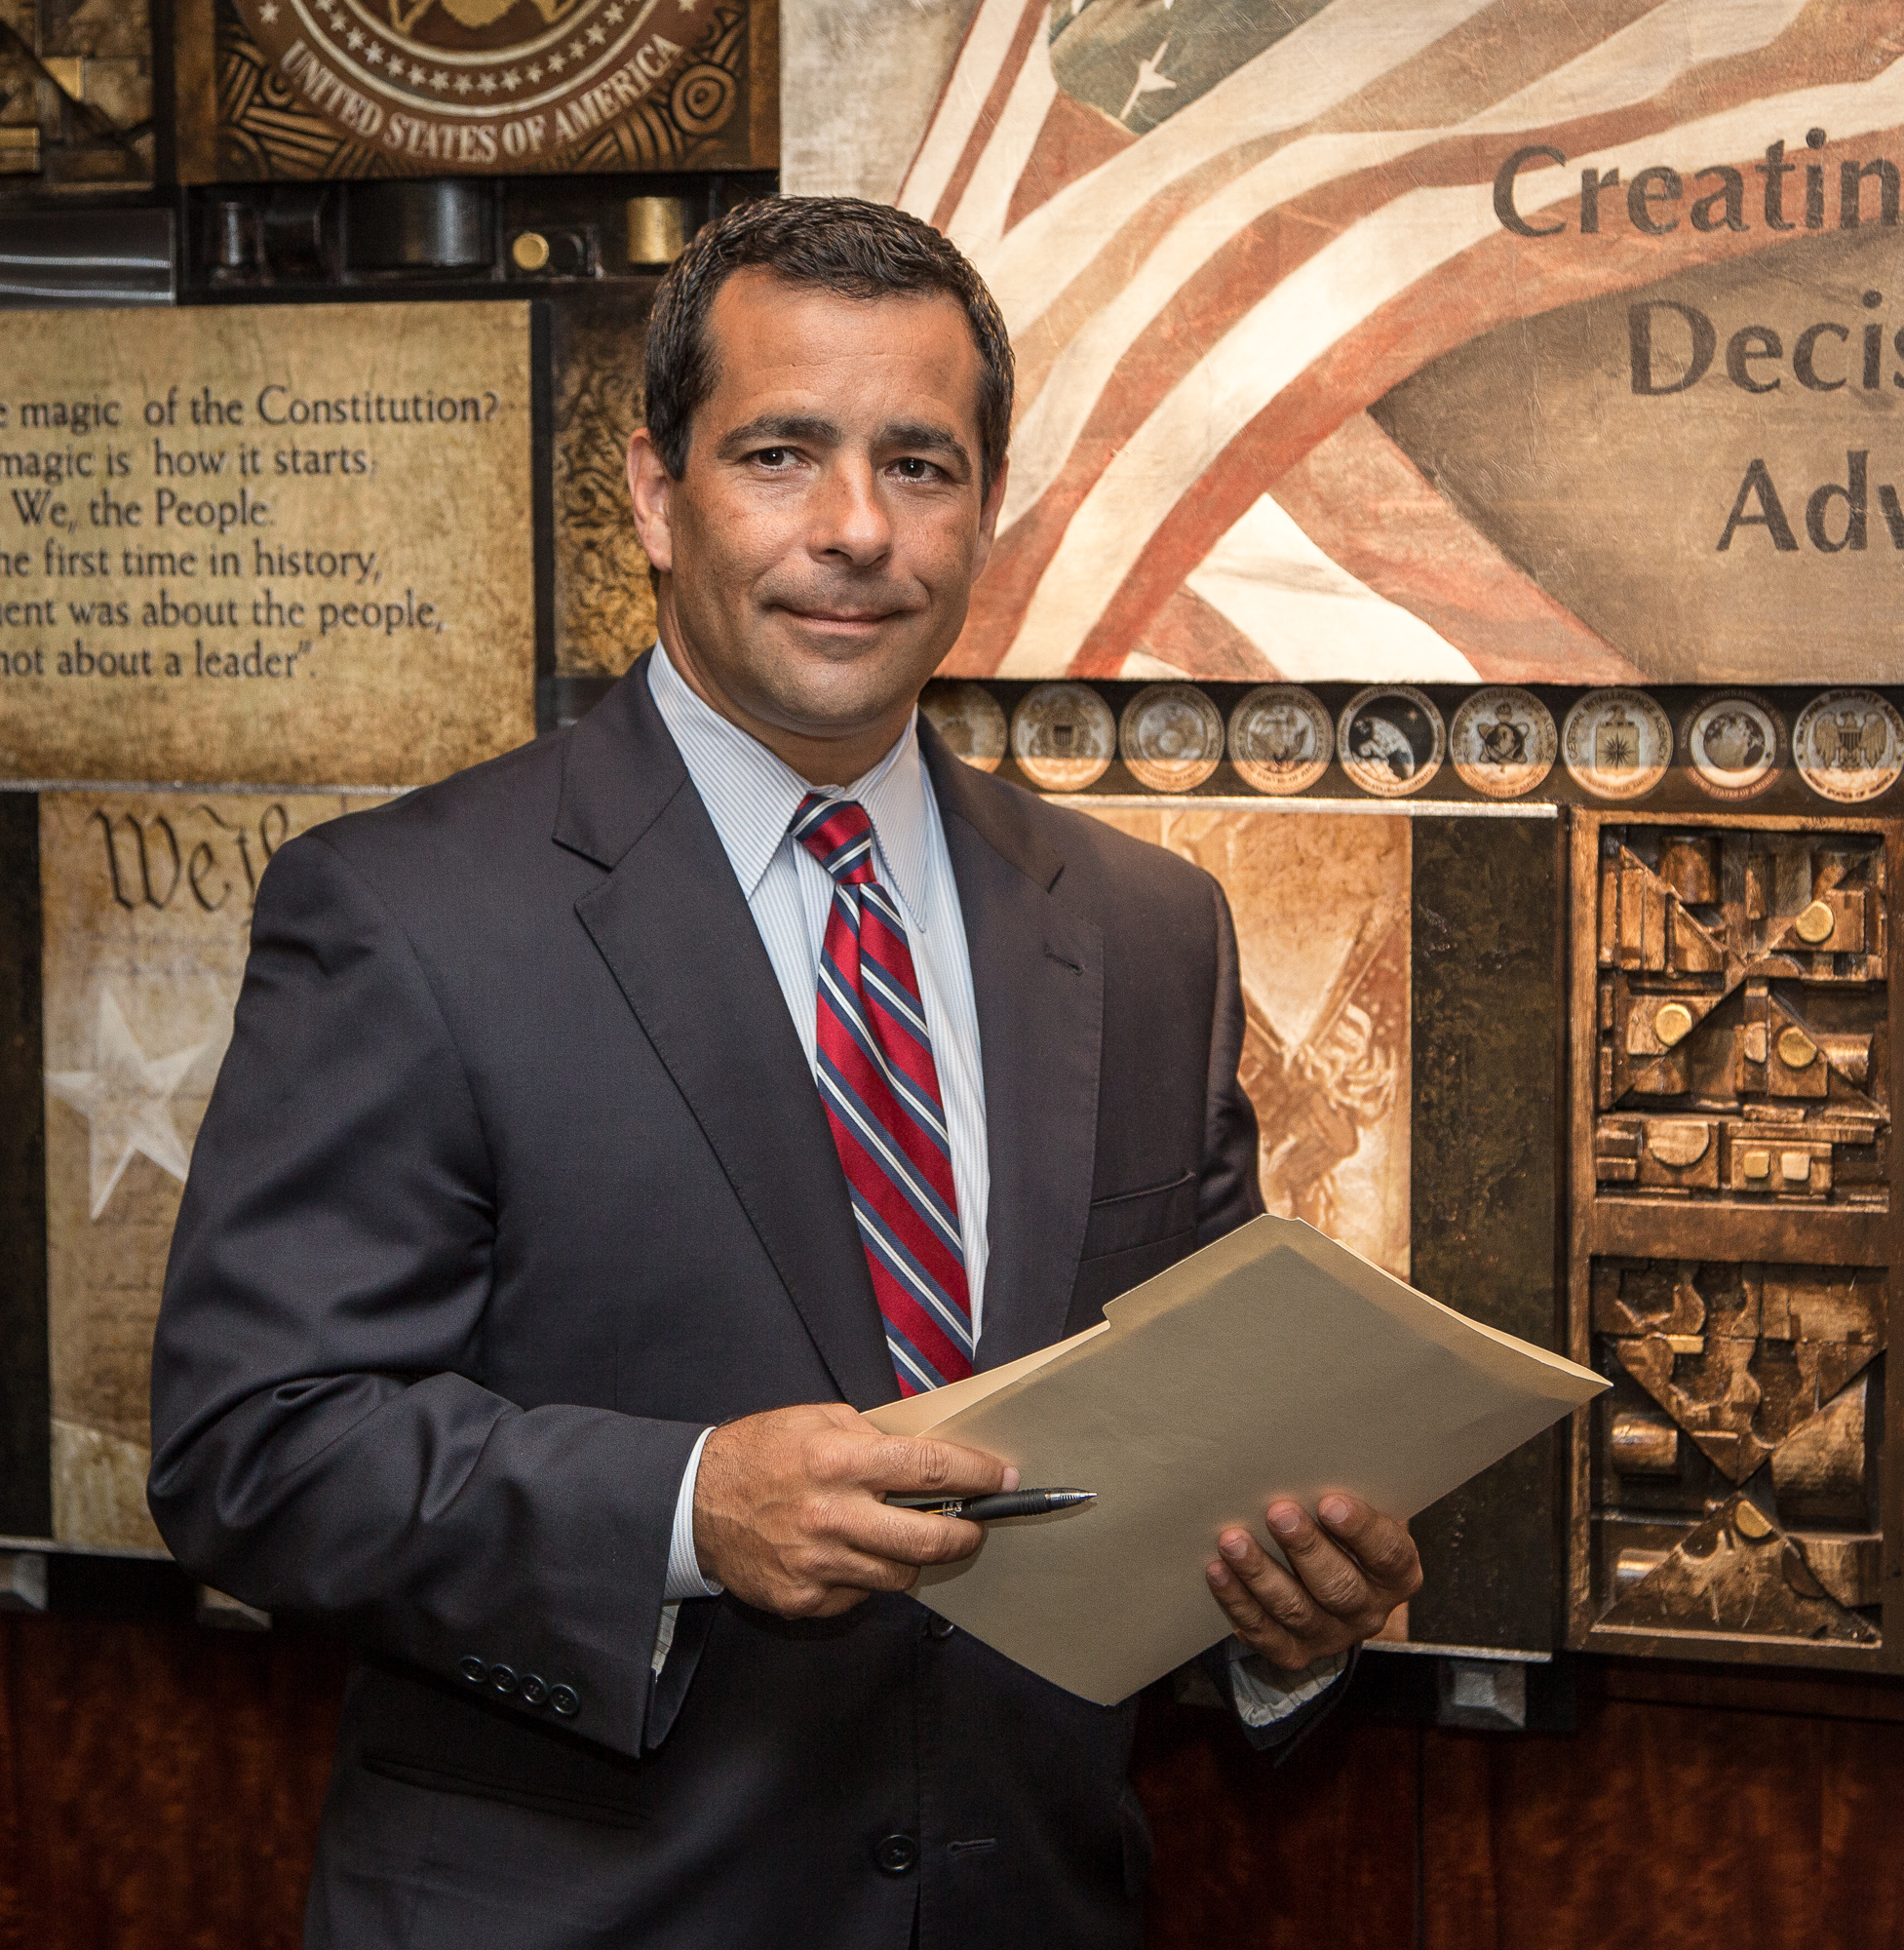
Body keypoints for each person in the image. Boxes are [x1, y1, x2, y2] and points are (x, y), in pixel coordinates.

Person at [148, 196, 1420, 1950]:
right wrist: (683, 1510)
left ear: (985, 509)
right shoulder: (407, 913)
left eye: (918, 465)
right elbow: (254, 1450)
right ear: (654, 494)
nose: (855, 531)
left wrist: (1282, 1622)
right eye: (778, 454)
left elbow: (1191, 1442)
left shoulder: (1146, 932)